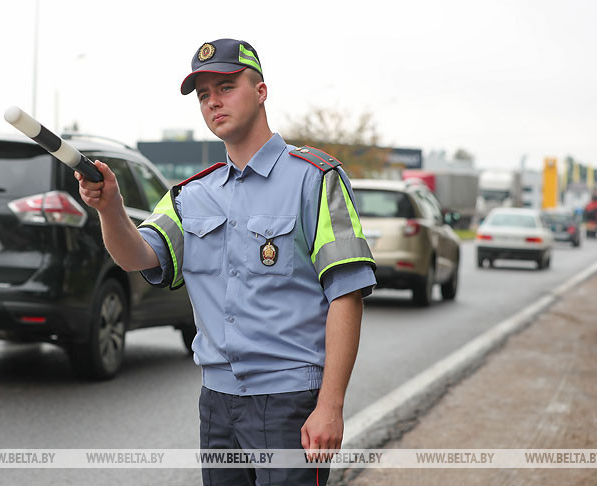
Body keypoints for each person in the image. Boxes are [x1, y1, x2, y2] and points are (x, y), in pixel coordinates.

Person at [76, 38, 376, 485]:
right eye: (203, 94)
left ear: (261, 91)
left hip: (290, 400)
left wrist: (330, 405)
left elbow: (347, 294)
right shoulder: (192, 193)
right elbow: (137, 256)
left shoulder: (316, 178)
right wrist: (110, 208)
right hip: (217, 403)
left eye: (227, 85)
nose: (213, 100)